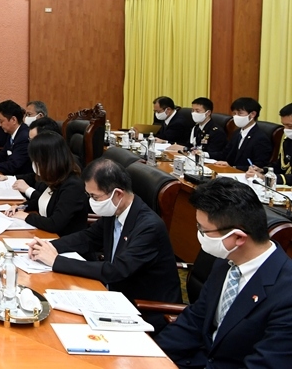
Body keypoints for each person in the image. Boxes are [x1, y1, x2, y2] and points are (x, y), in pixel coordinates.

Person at [155, 178, 292, 367]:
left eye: (203, 230)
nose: (199, 235)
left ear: (237, 237)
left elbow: (265, 363)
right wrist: (152, 355)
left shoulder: (286, 294)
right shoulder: (226, 262)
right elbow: (194, 320)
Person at [28, 159, 181, 326]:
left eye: (94, 196)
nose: (91, 201)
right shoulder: (116, 211)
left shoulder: (149, 227)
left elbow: (117, 270)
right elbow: (88, 238)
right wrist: (48, 246)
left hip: (144, 310)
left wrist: (56, 261)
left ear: (118, 194)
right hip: (111, 296)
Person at [7, 132, 88, 236]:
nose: (34, 164)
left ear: (49, 160)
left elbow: (55, 223)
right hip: (47, 236)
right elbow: (44, 201)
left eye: (37, 161)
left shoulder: (73, 186)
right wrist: (22, 207)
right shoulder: (55, 178)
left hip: (64, 242)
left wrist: (27, 217)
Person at [214, 97, 273, 171]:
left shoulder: (260, 138)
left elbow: (259, 166)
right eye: (234, 113)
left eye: (240, 113)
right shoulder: (237, 133)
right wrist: (204, 154)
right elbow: (225, 153)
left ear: (253, 114)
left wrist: (233, 167)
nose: (236, 116)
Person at [246, 102, 292, 185]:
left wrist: (265, 177)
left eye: (290, 126)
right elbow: (280, 166)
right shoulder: (288, 141)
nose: (286, 130)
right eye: (284, 125)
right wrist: (262, 170)